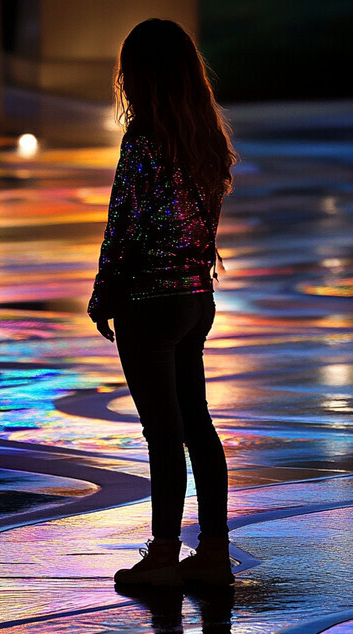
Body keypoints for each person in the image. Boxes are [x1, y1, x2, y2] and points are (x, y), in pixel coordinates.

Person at [88, 18, 237, 587]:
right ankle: (215, 552)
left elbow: (122, 225)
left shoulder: (144, 141)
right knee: (197, 425)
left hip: (149, 304)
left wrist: (104, 296)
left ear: (140, 77)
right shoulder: (207, 140)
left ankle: (165, 555)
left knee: (162, 432)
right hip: (196, 298)